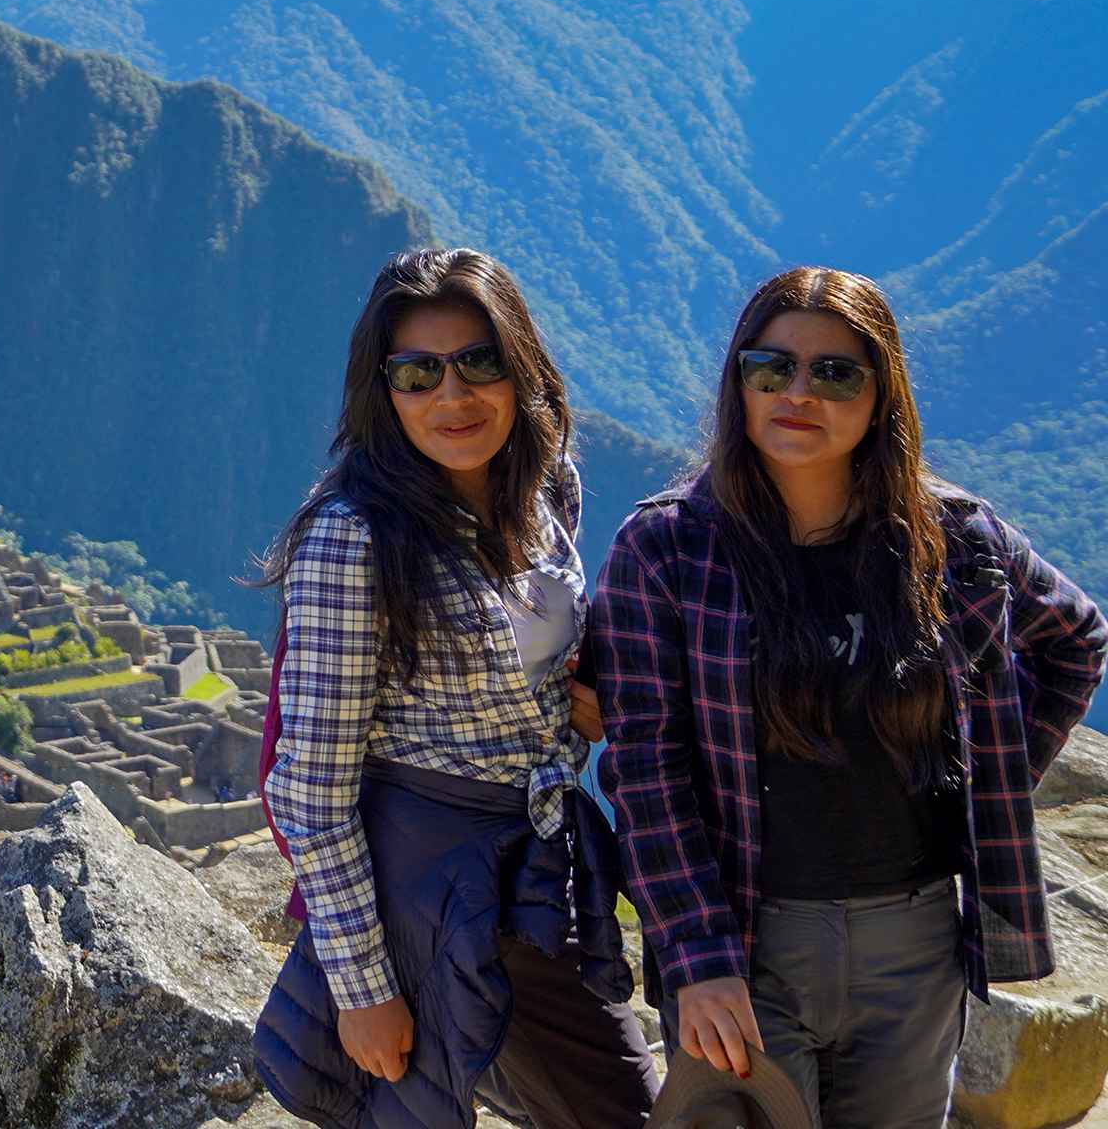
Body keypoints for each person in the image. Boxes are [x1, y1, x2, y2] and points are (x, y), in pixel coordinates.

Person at [591, 266, 1107, 1128]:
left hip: (915, 942)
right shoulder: (668, 549)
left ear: (882, 395)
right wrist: (698, 954)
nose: (798, 393)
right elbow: (646, 770)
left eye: (835, 372)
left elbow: (1076, 639)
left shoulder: (955, 538)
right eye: (771, 368)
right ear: (739, 383)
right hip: (749, 940)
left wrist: (992, 781)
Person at [253, 248, 656, 1127]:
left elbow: (530, 655)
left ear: (522, 370)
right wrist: (362, 988)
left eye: (480, 362)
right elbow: (310, 791)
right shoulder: (353, 540)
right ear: (382, 389)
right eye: (418, 372)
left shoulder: (545, 488)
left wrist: (581, 704)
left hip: (532, 859)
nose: (453, 396)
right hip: (423, 879)